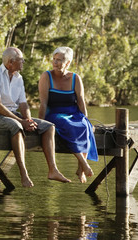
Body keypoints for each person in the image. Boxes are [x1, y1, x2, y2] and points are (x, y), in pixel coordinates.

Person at [0, 47, 71, 188]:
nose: (23, 62)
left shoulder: (18, 78)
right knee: (16, 126)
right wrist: (21, 122)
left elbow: (23, 104)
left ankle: (53, 170)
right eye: (21, 60)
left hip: (13, 115)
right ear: (11, 62)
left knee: (49, 127)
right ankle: (24, 174)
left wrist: (28, 120)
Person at [38, 46, 98, 183]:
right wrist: (40, 123)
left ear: (68, 63)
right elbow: (43, 104)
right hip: (54, 114)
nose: (55, 63)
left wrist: (85, 118)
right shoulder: (46, 77)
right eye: (54, 59)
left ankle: (80, 169)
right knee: (67, 124)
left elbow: (81, 102)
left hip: (73, 112)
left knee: (85, 126)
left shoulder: (75, 78)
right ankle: (84, 164)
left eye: (59, 60)